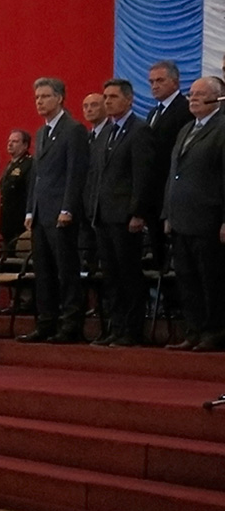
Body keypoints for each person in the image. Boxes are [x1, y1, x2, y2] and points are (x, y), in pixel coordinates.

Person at [85, 79, 155, 346]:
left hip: (125, 217)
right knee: (111, 276)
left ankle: (132, 330)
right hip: (102, 215)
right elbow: (97, 176)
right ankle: (115, 328)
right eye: (105, 96)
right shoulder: (106, 133)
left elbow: (142, 176)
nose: (107, 101)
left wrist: (138, 213)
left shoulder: (139, 131)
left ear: (129, 99)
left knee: (128, 275)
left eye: (113, 96)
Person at [21, 78, 90, 344]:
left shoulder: (73, 130)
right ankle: (46, 321)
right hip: (41, 213)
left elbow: (75, 173)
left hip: (61, 213)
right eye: (37, 96)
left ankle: (70, 324)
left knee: (66, 271)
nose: (39, 101)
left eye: (45, 96)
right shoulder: (41, 132)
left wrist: (68, 208)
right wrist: (30, 211)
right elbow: (36, 175)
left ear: (60, 98)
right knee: (44, 272)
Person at [163, 76, 225, 351]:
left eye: (200, 94)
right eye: (191, 94)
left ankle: (215, 330)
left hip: (209, 218)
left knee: (210, 278)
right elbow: (173, 174)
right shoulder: (186, 129)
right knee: (186, 278)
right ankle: (195, 329)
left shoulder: (222, 128)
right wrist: (168, 213)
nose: (193, 98)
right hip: (181, 218)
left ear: (217, 98)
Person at [143, 59, 193, 272]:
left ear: (175, 82)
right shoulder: (153, 112)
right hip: (155, 191)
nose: (154, 85)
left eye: (160, 80)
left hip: (174, 187)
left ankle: (173, 302)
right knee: (157, 252)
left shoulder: (185, 109)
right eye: (152, 81)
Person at [0, 129, 33, 250]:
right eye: (9, 141)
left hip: (20, 221)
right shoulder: (10, 165)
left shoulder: (29, 165)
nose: (10, 144)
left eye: (15, 141)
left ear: (25, 145)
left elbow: (30, 192)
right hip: (7, 221)